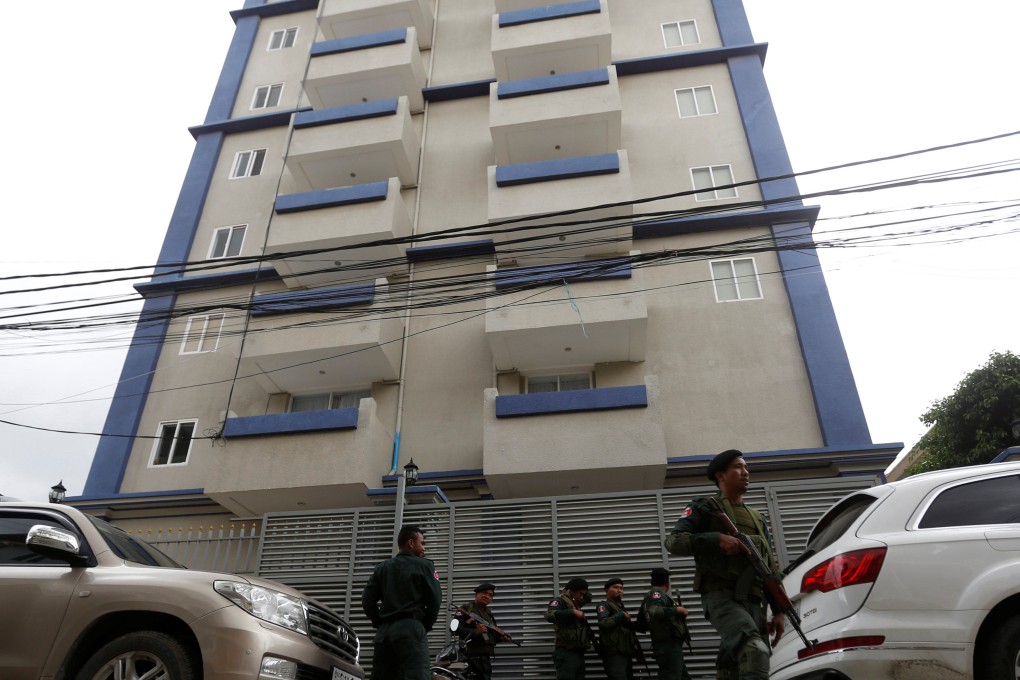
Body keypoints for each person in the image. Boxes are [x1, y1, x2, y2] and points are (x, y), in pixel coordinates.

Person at [664, 449, 786, 680]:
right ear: (721, 475)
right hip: (720, 595)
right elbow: (673, 541)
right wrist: (716, 539)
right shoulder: (705, 507)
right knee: (754, 651)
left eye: (746, 467)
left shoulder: (756, 517)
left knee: (733, 667)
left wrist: (779, 610)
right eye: (738, 467)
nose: (745, 472)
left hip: (753, 599)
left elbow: (769, 565)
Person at [361, 525, 443, 680]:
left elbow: (367, 601)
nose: (424, 548)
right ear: (411, 543)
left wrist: (380, 622)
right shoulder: (425, 566)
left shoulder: (382, 568)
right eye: (422, 543)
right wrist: (423, 625)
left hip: (384, 635)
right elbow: (435, 601)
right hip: (411, 630)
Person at [638, 568, 692, 680]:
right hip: (668, 645)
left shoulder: (649, 597)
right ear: (667, 583)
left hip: (666, 645)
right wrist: (678, 610)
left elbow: (641, 624)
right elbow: (655, 610)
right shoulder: (657, 593)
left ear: (651, 582)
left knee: (683, 677)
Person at [455, 581, 506, 680]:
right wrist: (475, 632)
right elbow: (454, 628)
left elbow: (491, 637)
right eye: (484, 593)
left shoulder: (489, 614)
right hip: (468, 658)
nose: (487, 596)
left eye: (490, 595)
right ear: (477, 593)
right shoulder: (466, 608)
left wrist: (501, 638)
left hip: (484, 660)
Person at [545, 577, 593, 679]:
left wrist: (583, 588)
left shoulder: (575, 603)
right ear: (571, 591)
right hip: (566, 653)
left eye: (583, 594)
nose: (582, 597)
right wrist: (572, 612)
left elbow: (589, 598)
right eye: (580, 593)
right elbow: (549, 615)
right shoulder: (560, 601)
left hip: (578, 653)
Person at [596, 577, 639, 680]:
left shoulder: (619, 608)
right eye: (615, 587)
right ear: (606, 590)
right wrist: (621, 616)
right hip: (614, 653)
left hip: (625, 653)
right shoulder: (604, 605)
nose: (619, 590)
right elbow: (603, 623)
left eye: (621, 588)